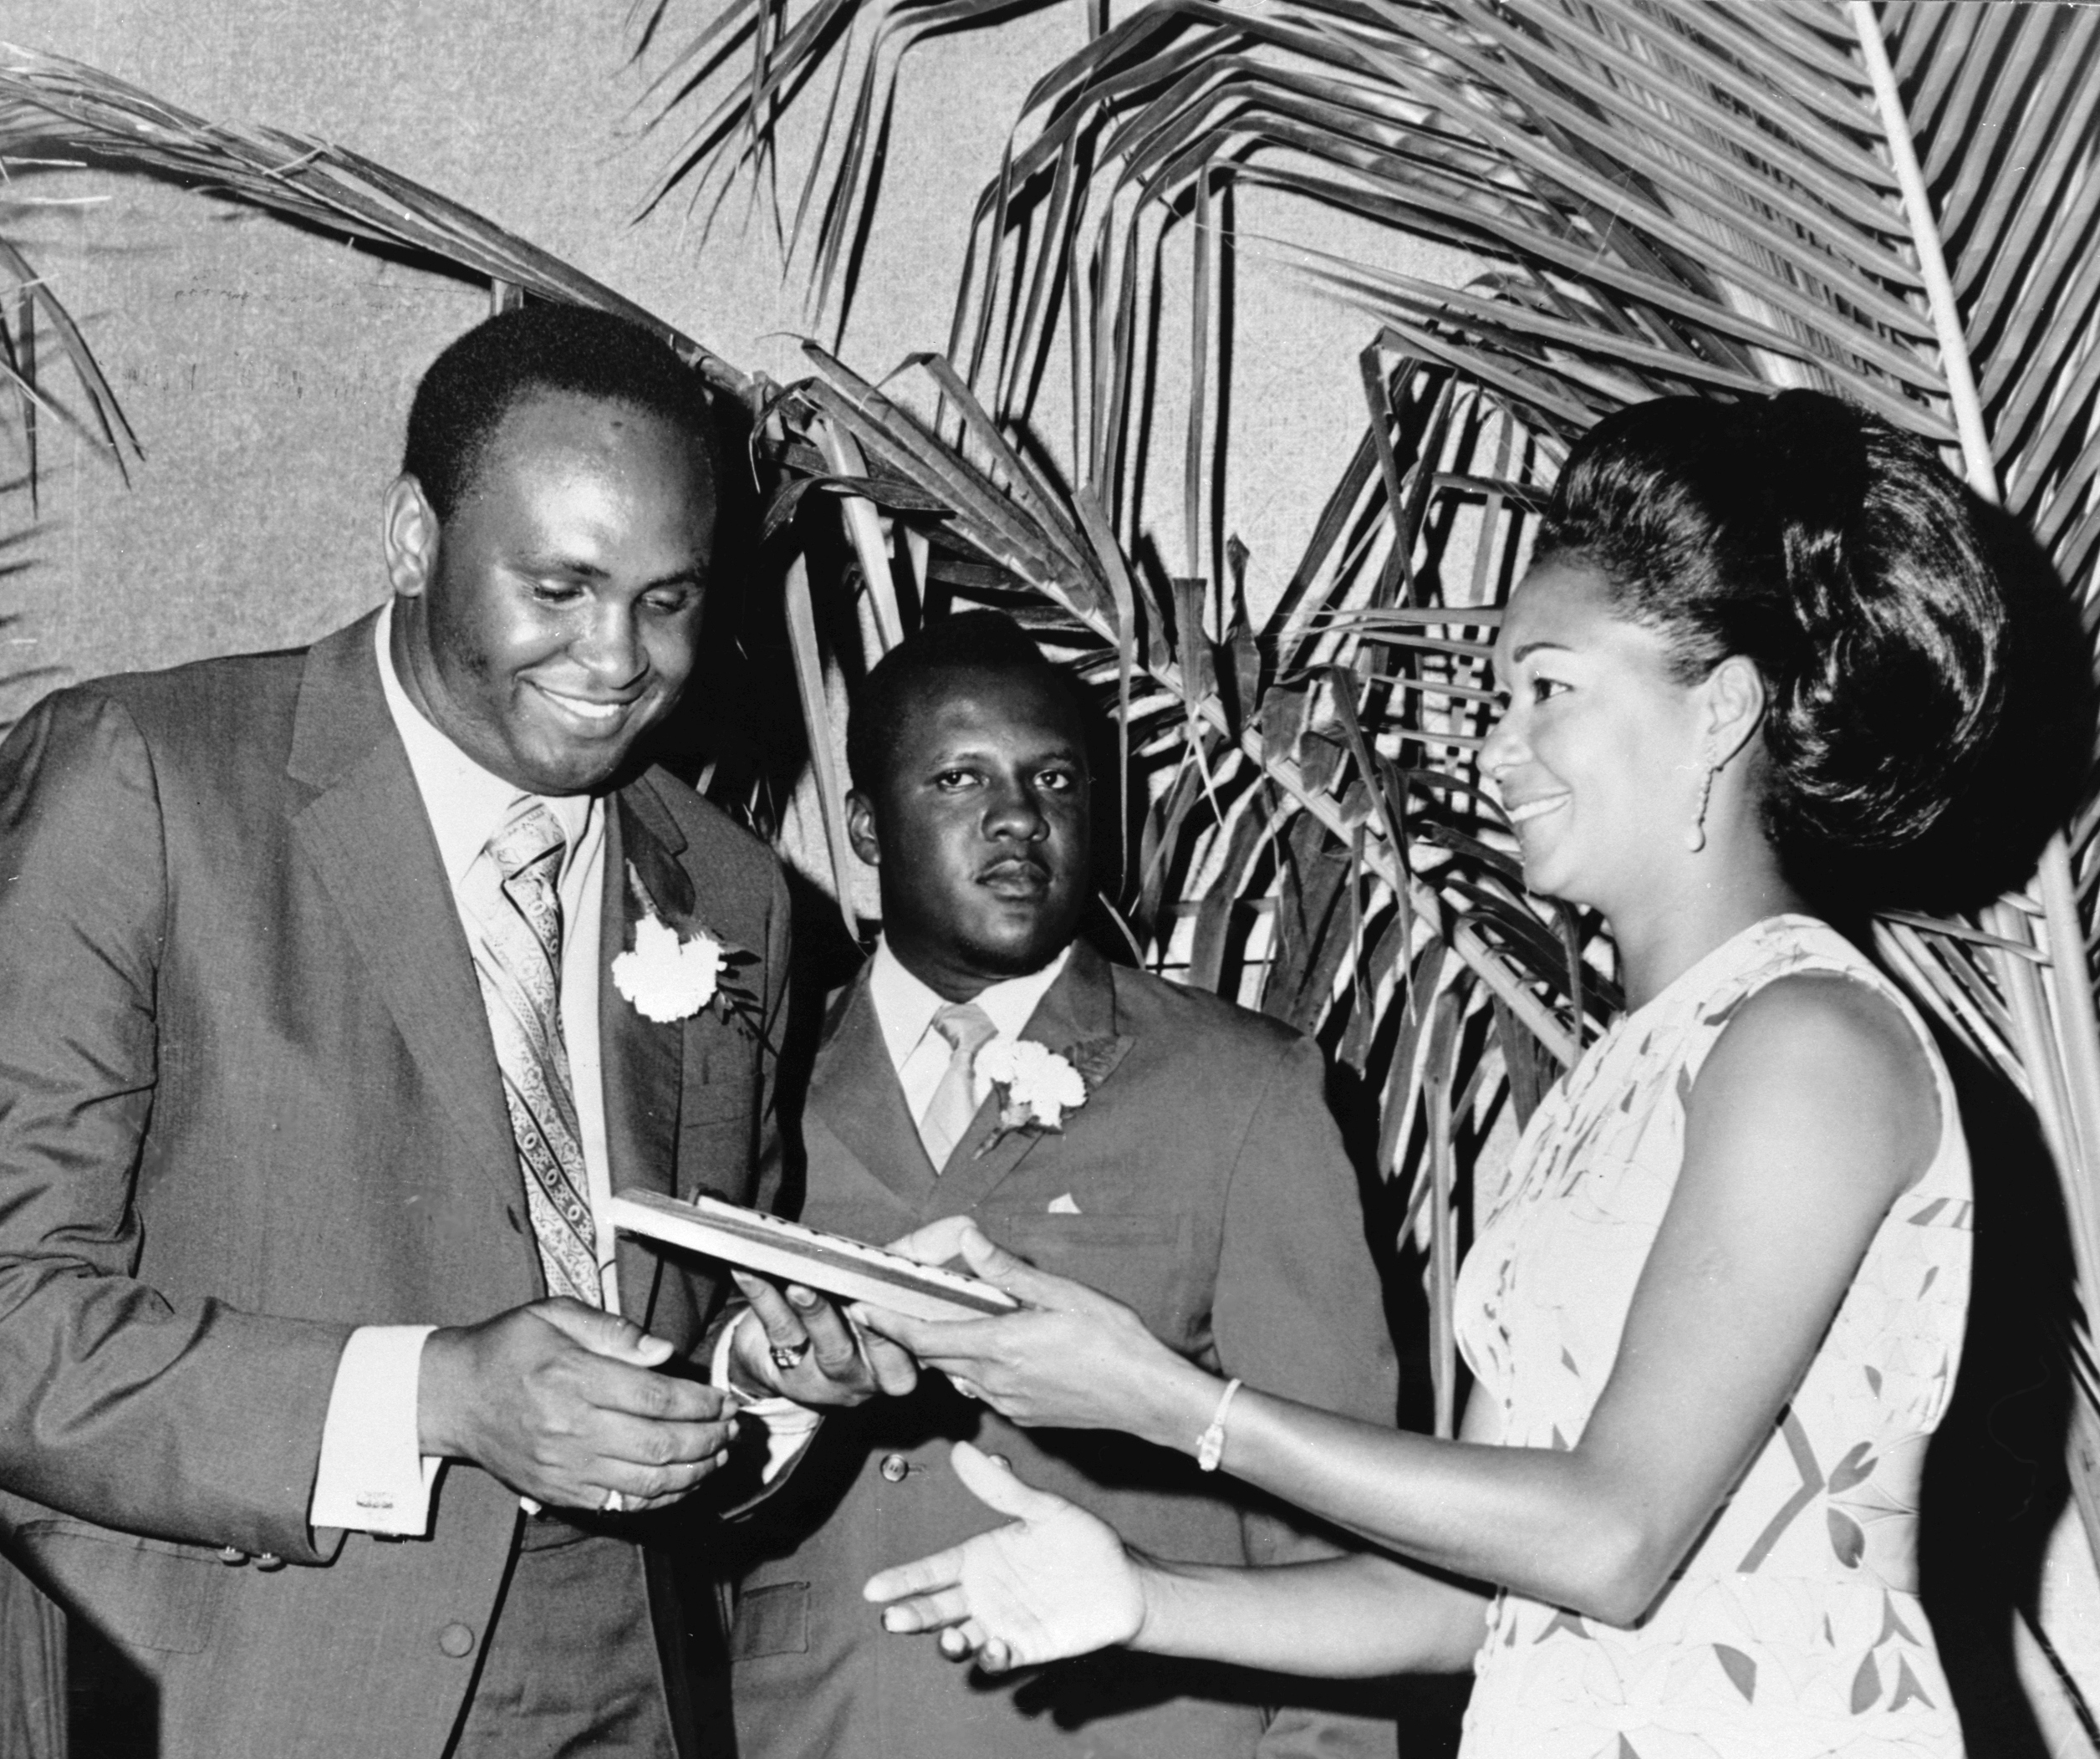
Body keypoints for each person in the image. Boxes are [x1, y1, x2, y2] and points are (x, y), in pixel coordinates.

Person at [860, 391, 2051, 1757]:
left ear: (1721, 707)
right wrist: (1137, 1597)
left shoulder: (1808, 1042)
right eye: (1501, 697)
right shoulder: (1611, 1088)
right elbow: (1466, 1605)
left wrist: (1167, 1401)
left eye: (1549, 689)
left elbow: (1613, 1537)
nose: (1495, 748)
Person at [0, 302, 903, 1759]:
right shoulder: (146, 781)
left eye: (670, 598)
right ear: (413, 541)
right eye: (559, 585)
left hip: (637, 1680)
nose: (618, 657)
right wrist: (432, 1398)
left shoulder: (735, 889)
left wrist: (756, 1388)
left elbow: (676, 1317)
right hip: (252, 1683)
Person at [721, 610, 1404, 1757]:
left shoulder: (1243, 1091)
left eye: (1054, 780)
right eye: (958, 778)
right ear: (866, 829)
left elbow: (1341, 1525)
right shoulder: (746, 1080)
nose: (1016, 819)